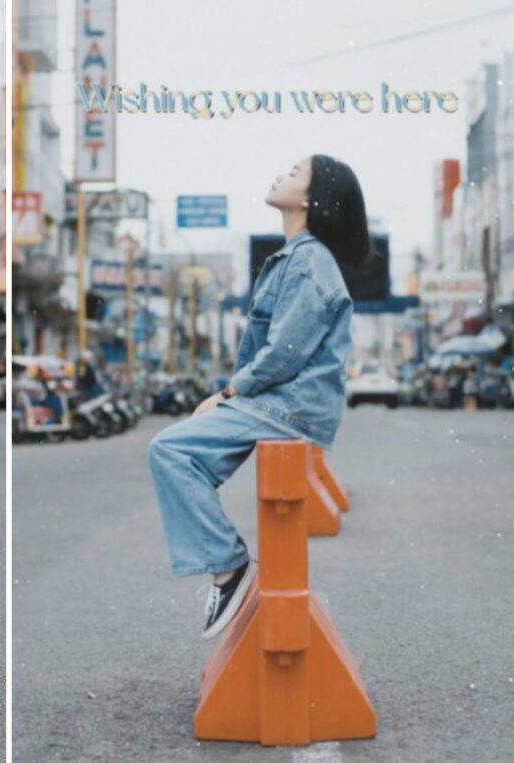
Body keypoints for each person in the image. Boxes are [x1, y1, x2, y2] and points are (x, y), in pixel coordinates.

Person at [148, 155, 371, 640]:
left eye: (294, 173)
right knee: (186, 456)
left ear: (312, 199)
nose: (280, 175)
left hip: (287, 405)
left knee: (170, 448)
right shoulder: (296, 256)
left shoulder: (309, 260)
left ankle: (228, 568)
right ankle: (225, 564)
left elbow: (284, 352)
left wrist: (227, 393)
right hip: (282, 404)